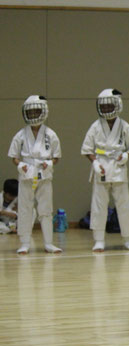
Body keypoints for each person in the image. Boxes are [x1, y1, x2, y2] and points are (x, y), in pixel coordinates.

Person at [81, 89, 129, 252]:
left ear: (117, 105)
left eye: (109, 106)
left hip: (118, 168)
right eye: (104, 107)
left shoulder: (125, 126)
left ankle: (128, 239)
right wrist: (94, 162)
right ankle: (99, 240)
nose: (106, 109)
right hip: (101, 166)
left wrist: (126, 156)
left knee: (124, 205)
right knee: (99, 205)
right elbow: (87, 149)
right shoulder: (95, 126)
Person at [8, 95, 63, 254]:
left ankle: (48, 243)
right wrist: (21, 165)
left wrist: (50, 163)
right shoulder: (20, 135)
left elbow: (57, 156)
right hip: (27, 173)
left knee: (46, 210)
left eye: (36, 111)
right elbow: (14, 157)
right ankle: (24, 243)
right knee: (25, 209)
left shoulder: (51, 134)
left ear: (43, 112)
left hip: (44, 174)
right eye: (30, 112)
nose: (33, 115)